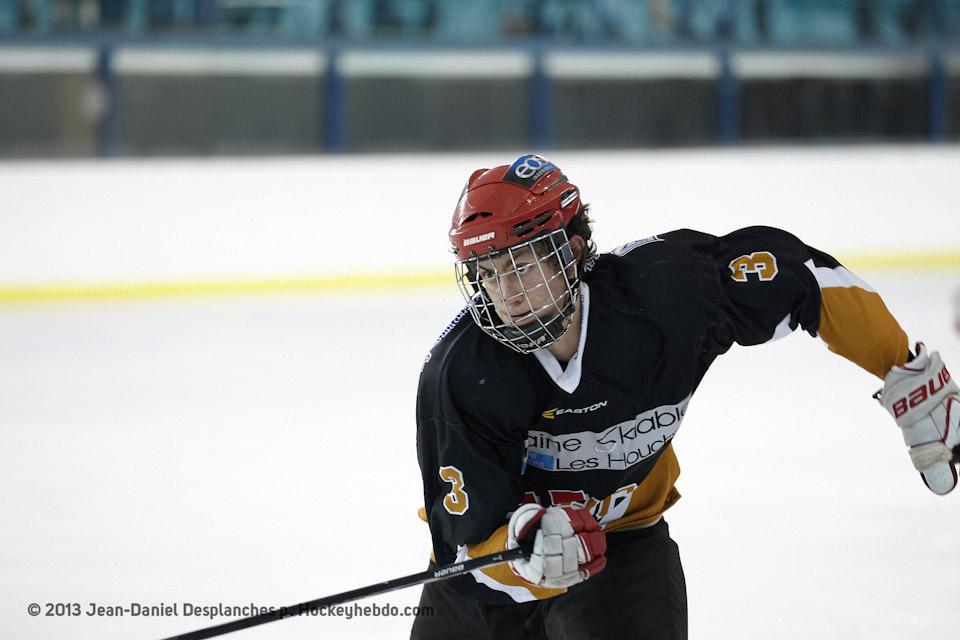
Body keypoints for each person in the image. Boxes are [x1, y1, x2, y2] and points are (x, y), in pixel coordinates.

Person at [411, 154, 959, 640]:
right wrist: (525, 543)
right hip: (501, 572)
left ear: (572, 251)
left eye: (522, 266)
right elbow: (467, 548)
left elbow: (804, 277)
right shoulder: (462, 374)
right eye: (488, 272)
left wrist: (904, 371)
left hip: (621, 549)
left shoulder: (667, 296)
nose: (505, 295)